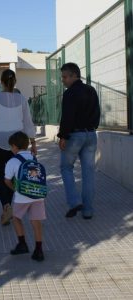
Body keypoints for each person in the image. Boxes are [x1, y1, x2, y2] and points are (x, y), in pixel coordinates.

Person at [0, 69, 37, 226]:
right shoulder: (22, 99)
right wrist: (33, 142)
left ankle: (6, 206)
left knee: (0, 176)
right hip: (17, 144)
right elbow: (28, 122)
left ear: (1, 82)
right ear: (14, 82)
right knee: (14, 176)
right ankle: (10, 205)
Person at [58, 62, 100, 219]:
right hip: (91, 135)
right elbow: (97, 112)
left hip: (75, 136)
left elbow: (67, 117)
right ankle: (88, 211)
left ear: (74, 75)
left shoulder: (70, 93)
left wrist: (63, 136)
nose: (63, 80)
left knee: (66, 168)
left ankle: (75, 202)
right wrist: (92, 127)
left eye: (64, 77)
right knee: (88, 173)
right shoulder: (91, 90)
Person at [4, 131, 45, 261]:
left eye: (11, 146)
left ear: (15, 146)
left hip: (21, 196)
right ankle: (39, 250)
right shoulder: (33, 158)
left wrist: (16, 189)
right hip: (37, 195)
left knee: (16, 218)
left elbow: (7, 180)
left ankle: (22, 244)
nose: (11, 149)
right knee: (35, 221)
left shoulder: (12, 161)